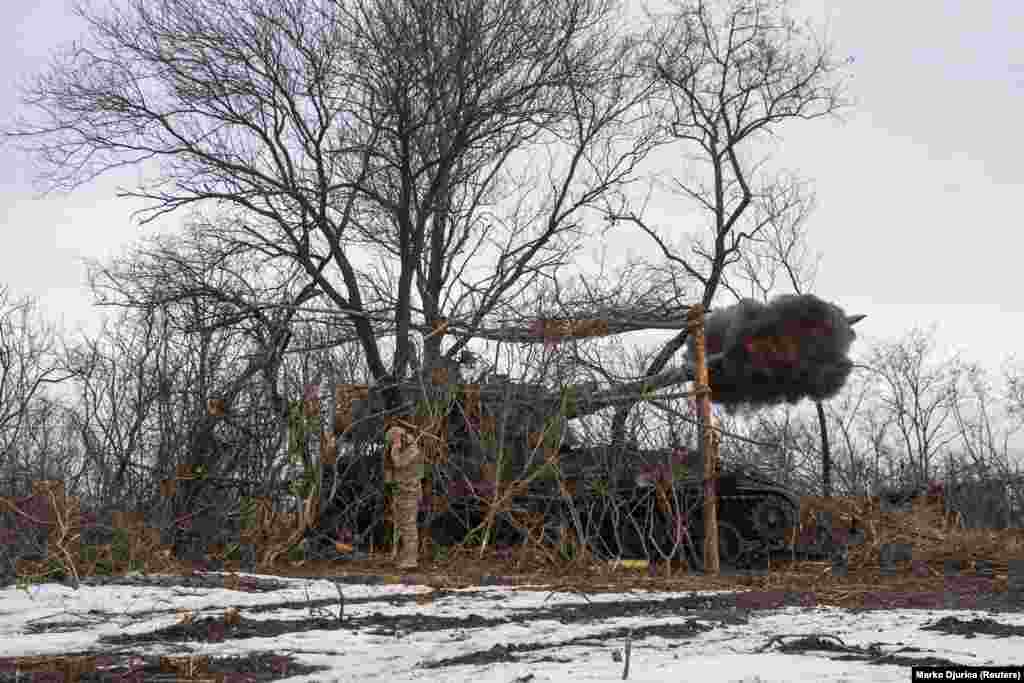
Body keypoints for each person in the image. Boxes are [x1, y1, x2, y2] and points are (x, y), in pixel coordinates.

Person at [381, 377, 422, 571]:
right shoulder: (401, 446)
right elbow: (390, 468)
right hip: (401, 490)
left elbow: (398, 462)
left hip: (409, 492)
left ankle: (411, 559)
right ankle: (399, 555)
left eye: (393, 441)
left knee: (408, 525)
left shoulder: (411, 449)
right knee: (399, 525)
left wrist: (395, 449)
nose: (391, 445)